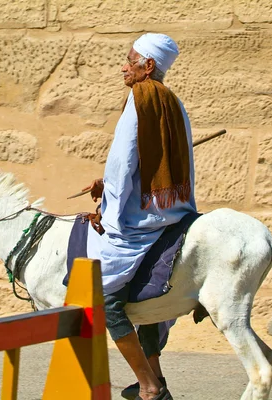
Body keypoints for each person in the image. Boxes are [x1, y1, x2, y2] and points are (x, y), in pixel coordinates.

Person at [83, 33, 196, 400]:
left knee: (103, 298)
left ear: (148, 67)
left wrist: (107, 211)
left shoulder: (139, 98)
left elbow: (123, 163)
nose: (123, 67)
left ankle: (148, 387)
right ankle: (157, 374)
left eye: (130, 60)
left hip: (140, 223)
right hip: (175, 216)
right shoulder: (174, 103)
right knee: (147, 299)